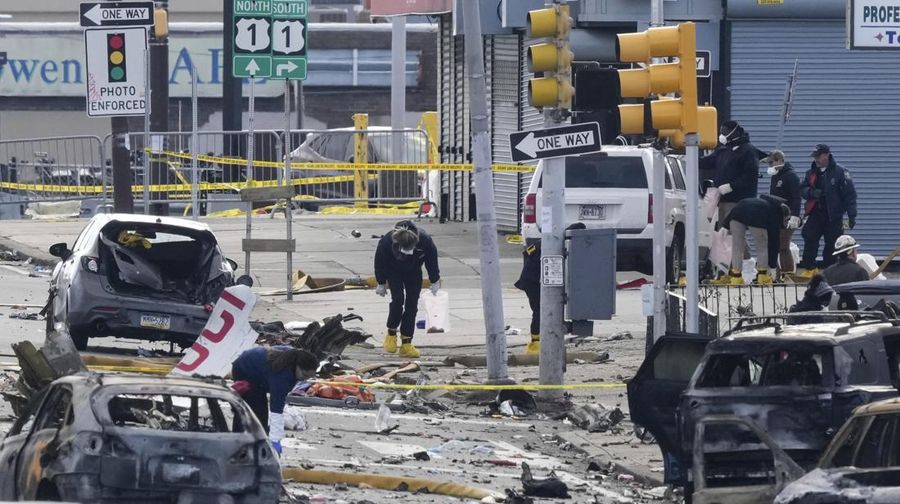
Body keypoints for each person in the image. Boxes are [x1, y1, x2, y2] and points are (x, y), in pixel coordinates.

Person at [231, 346, 319, 456]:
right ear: (297, 366)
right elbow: (276, 409)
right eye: (304, 375)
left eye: (308, 377)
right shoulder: (282, 375)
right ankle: (238, 446)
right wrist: (275, 440)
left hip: (260, 374)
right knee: (251, 410)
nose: (304, 379)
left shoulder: (294, 358)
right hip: (244, 369)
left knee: (260, 413)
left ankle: (257, 446)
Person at [700, 120, 765, 264]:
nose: (721, 135)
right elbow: (707, 162)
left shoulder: (748, 151)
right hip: (723, 200)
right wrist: (687, 156)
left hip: (739, 200)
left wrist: (732, 186)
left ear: (734, 132)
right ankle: (739, 265)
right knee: (727, 234)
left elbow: (750, 175)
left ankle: (743, 266)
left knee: (734, 233)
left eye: (724, 132)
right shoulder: (724, 150)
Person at [374, 220, 440, 358]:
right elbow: (380, 261)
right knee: (398, 300)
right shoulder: (387, 241)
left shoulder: (425, 241)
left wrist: (434, 280)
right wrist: (381, 282)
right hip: (394, 271)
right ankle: (391, 334)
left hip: (413, 272)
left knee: (412, 305)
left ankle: (406, 343)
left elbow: (432, 260)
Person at [798, 144, 858, 276]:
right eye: (814, 157)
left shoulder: (841, 172)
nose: (816, 160)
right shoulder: (811, 172)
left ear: (826, 155)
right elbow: (802, 189)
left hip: (833, 216)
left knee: (832, 244)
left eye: (818, 156)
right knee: (809, 238)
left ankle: (829, 270)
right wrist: (811, 192)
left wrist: (852, 216)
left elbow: (850, 195)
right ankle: (809, 269)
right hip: (815, 213)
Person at [715, 195, 790, 285]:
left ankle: (736, 278)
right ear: (783, 215)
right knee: (762, 247)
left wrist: (725, 225)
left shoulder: (759, 202)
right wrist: (773, 266)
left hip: (736, 214)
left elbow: (737, 208)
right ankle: (762, 277)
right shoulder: (775, 214)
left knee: (737, 246)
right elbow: (774, 243)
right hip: (756, 216)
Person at [767, 150, 802, 278]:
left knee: (783, 246)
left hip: (788, 216)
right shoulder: (775, 176)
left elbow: (797, 197)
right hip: (777, 216)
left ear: (780, 161)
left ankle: (788, 274)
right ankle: (776, 275)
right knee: (774, 246)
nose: (770, 166)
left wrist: (795, 216)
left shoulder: (791, 176)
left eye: (772, 162)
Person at [514, 240, 542, 355]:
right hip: (534, 282)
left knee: (538, 310)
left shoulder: (541, 242)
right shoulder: (552, 245)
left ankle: (538, 341)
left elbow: (526, 253)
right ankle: (535, 344)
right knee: (539, 311)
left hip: (529, 281)